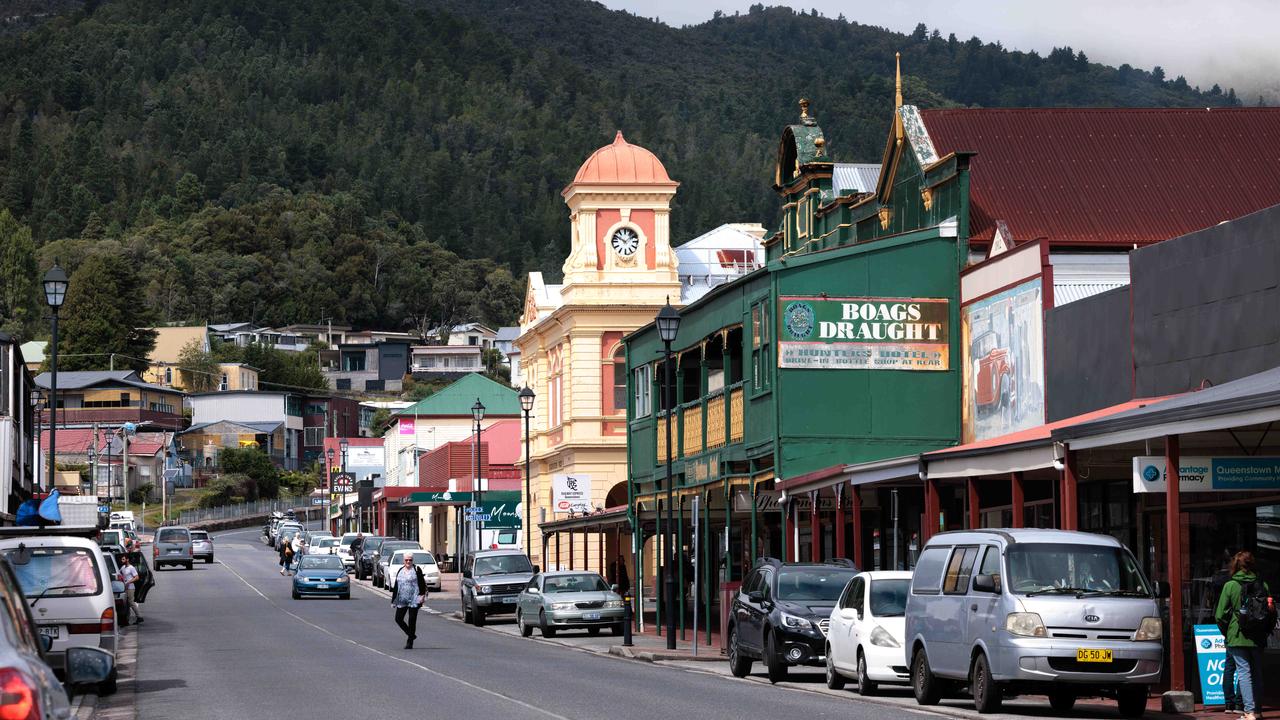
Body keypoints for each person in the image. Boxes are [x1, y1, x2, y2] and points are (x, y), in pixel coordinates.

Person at [1215, 551, 1273, 720]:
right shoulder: (1263, 584)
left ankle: (1248, 712)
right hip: (1258, 636)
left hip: (1237, 635)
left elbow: (1220, 615)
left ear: (1235, 565)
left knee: (1244, 672)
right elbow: (1270, 611)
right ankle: (1258, 710)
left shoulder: (1230, 585)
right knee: (1256, 672)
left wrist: (1228, 632)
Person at [390, 552, 427, 649]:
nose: (408, 561)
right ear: (404, 561)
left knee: (412, 619)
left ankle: (409, 641)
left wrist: (422, 596)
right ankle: (411, 634)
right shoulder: (400, 570)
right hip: (402, 599)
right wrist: (394, 600)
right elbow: (397, 586)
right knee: (398, 619)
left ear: (412, 560)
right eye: (406, 560)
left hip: (414, 598)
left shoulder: (416, 569)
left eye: (410, 560)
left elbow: (422, 583)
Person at [119, 555, 144, 624]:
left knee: (131, 602)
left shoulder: (131, 568)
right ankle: (126, 619)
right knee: (126, 603)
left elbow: (137, 577)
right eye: (122, 559)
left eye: (123, 559)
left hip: (130, 588)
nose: (122, 560)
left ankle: (139, 617)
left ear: (127, 560)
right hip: (124, 588)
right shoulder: (123, 567)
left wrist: (128, 582)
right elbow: (119, 574)